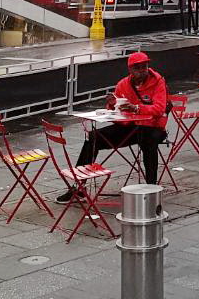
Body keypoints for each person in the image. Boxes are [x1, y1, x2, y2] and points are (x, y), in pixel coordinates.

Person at [59, 52, 167, 201]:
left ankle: (151, 187)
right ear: (130, 69)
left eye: (145, 66)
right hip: (129, 127)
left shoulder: (158, 81)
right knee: (93, 137)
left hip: (152, 127)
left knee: (149, 142)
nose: (142, 70)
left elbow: (160, 109)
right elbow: (115, 116)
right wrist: (111, 105)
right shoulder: (123, 84)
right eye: (138, 67)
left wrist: (136, 108)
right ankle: (79, 187)